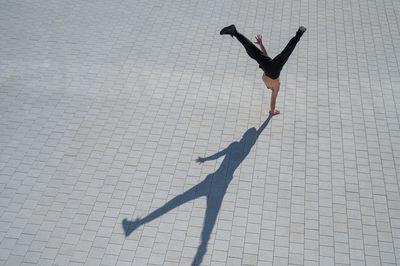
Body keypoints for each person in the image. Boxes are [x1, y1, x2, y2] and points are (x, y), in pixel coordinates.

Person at [220, 24, 306, 115]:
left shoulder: (274, 87)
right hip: (270, 68)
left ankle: (234, 32)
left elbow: (265, 56)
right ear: (269, 87)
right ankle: (235, 32)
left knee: (281, 54)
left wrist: (261, 44)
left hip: (272, 69)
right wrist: (272, 111)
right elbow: (272, 102)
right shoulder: (269, 83)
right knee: (254, 51)